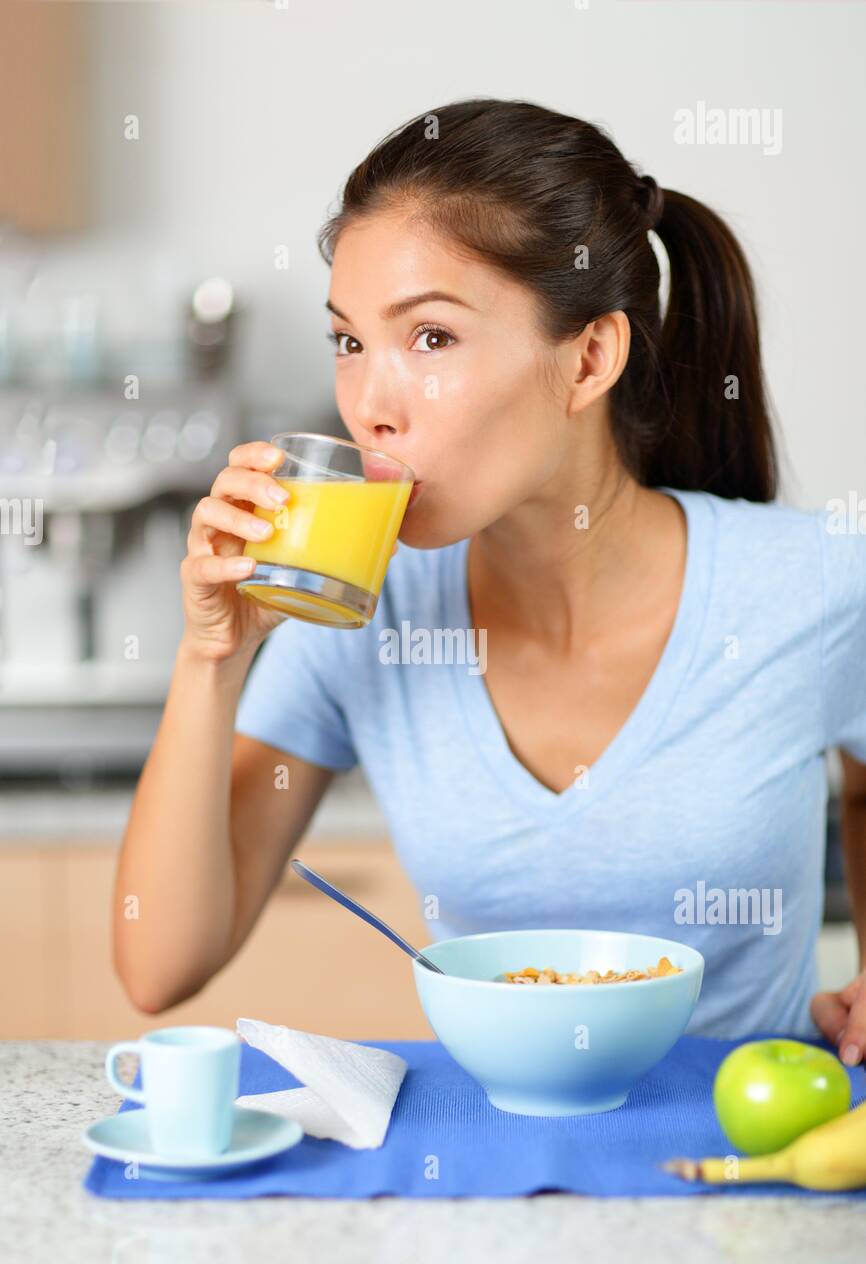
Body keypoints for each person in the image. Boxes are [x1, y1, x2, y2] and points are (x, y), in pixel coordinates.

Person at [113, 98, 866, 1061]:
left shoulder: (810, 588)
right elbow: (157, 964)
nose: (368, 409)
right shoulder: (361, 615)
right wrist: (211, 656)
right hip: (493, 1160)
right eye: (349, 341)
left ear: (591, 356)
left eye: (429, 339)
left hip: (752, 1163)